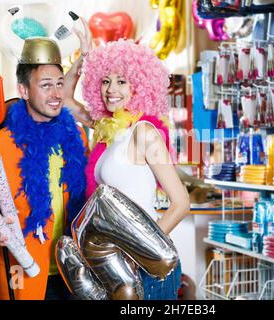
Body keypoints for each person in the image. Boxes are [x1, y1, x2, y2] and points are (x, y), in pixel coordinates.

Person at [0, 19, 93, 300]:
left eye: (60, 84)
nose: (55, 94)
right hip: (22, 275)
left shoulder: (76, 137)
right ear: (24, 90)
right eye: (46, 85)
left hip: (74, 274)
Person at [78, 40, 190, 300]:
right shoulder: (111, 131)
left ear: (139, 85)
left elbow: (181, 203)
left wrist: (140, 249)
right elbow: (69, 104)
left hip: (148, 267)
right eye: (105, 81)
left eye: (122, 81)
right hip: (114, 265)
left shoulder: (144, 133)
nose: (111, 89)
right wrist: (85, 52)